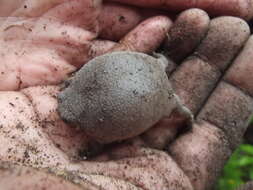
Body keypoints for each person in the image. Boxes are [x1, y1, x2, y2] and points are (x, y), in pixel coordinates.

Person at [0, 0, 253, 190]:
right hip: (144, 76)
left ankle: (182, 117)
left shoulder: (99, 124)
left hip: (148, 89)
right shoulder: (85, 102)